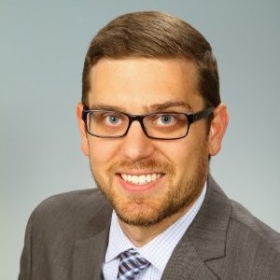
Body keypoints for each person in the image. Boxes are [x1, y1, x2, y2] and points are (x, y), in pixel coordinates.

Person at [18, 11, 280, 280]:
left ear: (214, 129)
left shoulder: (268, 268)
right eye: (112, 118)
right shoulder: (49, 228)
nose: (135, 150)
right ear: (84, 130)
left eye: (165, 119)